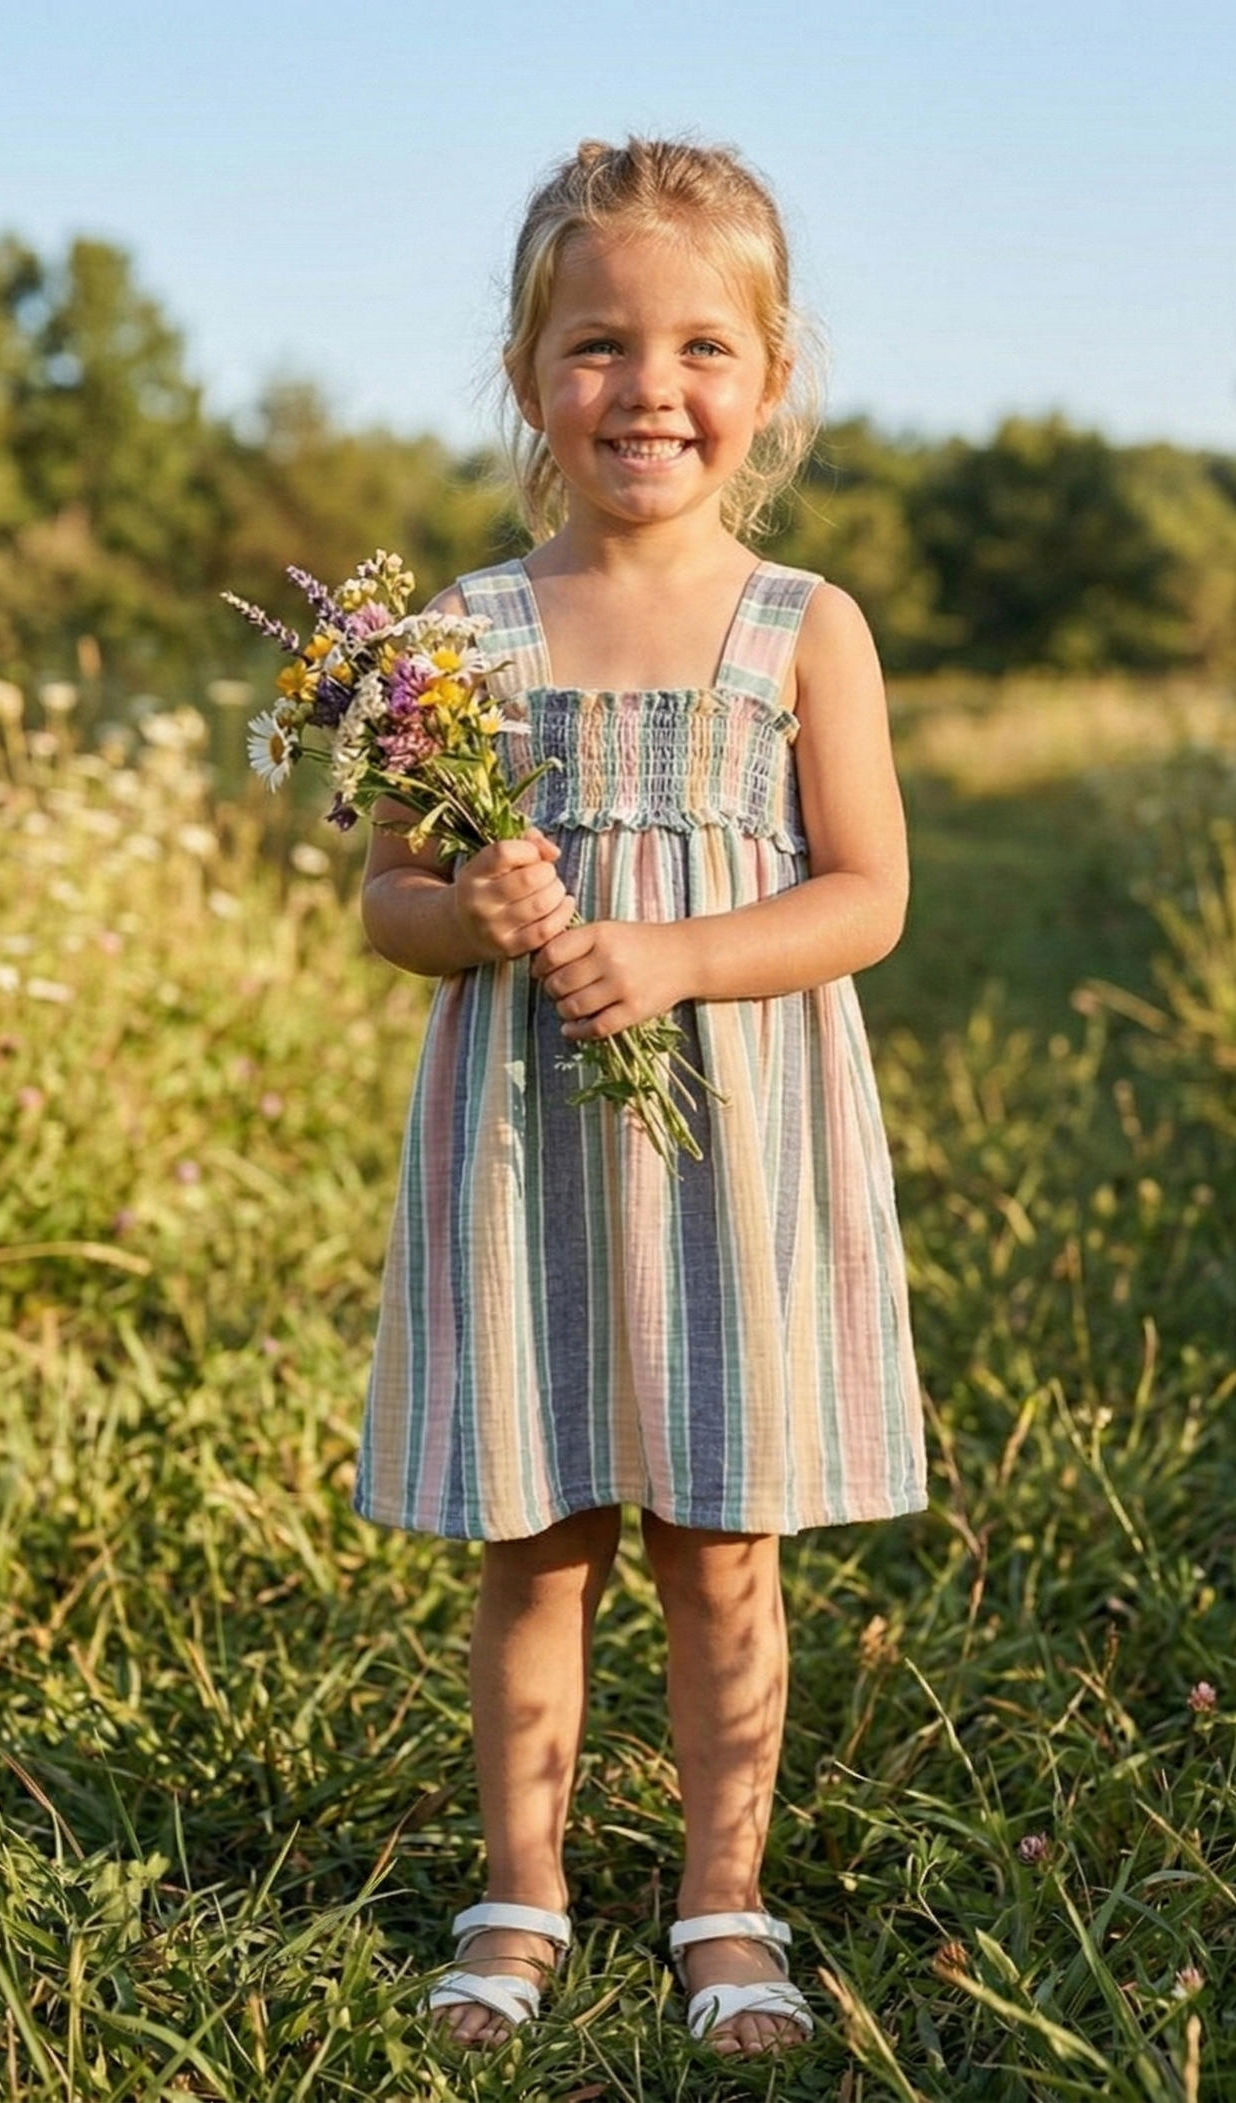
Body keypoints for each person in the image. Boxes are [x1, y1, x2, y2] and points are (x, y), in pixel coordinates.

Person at [353, 135, 930, 2060]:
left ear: (768, 378)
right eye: (597, 345)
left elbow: (869, 893)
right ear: (529, 374)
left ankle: (721, 1900)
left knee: (720, 1531)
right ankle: (517, 1890)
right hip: (528, 1145)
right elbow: (386, 902)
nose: (648, 388)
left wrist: (675, 954)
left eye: (699, 346)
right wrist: (475, 906)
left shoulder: (802, 624)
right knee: (537, 1529)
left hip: (734, 1144)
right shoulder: (460, 630)